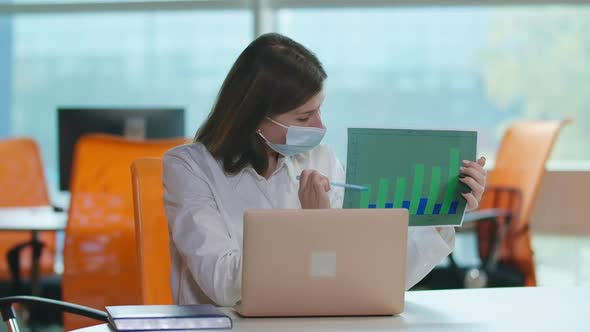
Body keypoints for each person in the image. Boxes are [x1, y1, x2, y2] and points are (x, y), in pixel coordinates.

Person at [163, 33, 486, 306]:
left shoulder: (322, 161)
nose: (320, 126)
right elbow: (222, 283)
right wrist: (313, 226)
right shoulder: (189, 168)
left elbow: (376, 277)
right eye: (303, 118)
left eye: (319, 110)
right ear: (254, 116)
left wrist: (442, 213)